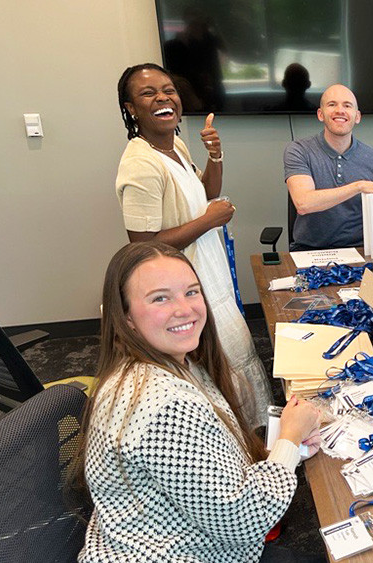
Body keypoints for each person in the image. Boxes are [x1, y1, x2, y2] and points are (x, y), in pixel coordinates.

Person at [76, 242, 323, 562]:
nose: (185, 308)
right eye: (160, 298)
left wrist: (289, 451)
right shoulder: (164, 407)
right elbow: (247, 520)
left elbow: (211, 468)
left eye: (191, 292)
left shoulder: (169, 364)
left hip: (180, 535)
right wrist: (288, 439)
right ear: (126, 317)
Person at [114, 63, 271, 428]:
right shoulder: (139, 164)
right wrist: (208, 221)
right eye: (148, 93)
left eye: (168, 90)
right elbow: (140, 247)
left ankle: (247, 433)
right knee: (212, 366)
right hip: (180, 289)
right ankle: (226, 440)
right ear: (130, 108)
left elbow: (206, 194)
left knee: (233, 355)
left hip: (207, 275)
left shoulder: (176, 146)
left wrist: (215, 156)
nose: (163, 98)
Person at [283, 84, 373, 250]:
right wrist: (359, 186)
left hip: (361, 250)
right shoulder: (299, 150)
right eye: (332, 104)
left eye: (347, 105)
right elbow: (304, 203)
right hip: (309, 251)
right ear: (320, 114)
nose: (340, 110)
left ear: (357, 117)